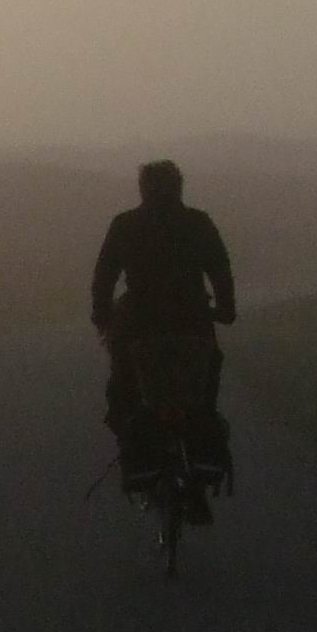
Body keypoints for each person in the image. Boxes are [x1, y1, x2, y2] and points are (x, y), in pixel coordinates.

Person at [90, 160, 236, 487]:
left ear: (142, 189)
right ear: (180, 187)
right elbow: (220, 271)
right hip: (193, 321)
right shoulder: (199, 223)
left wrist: (102, 317)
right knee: (205, 380)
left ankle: (137, 453)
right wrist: (226, 309)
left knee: (123, 388)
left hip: (138, 325)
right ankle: (202, 454)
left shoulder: (125, 225)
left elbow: (104, 279)